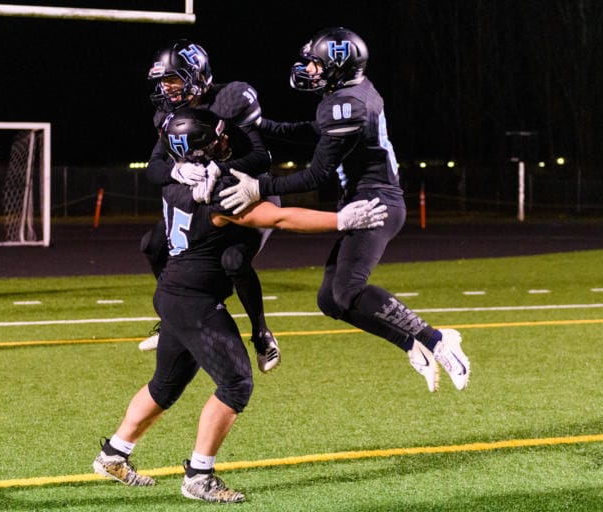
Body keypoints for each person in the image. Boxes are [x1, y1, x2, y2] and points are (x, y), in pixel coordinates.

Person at [93, 108, 387, 503]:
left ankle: (114, 453)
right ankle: (199, 476)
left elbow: (165, 178)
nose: (223, 142)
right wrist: (340, 220)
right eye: (213, 142)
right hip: (194, 300)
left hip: (174, 293)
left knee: (165, 385)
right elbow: (279, 218)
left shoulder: (176, 182)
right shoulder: (214, 189)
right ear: (195, 154)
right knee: (235, 384)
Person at [219, 27, 471, 392]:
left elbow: (316, 174)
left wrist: (259, 186)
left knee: (349, 289)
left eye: (317, 64)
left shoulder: (347, 105)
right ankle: (410, 342)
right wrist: (264, 126)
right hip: (365, 197)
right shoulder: (349, 96)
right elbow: (317, 130)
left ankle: (436, 339)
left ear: (338, 67)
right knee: (330, 300)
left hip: (375, 203)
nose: (310, 70)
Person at [138, 39, 282, 373]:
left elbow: (262, 157)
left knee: (233, 259)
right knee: (153, 244)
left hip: (246, 190)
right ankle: (173, 318)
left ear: (196, 74)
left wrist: (221, 168)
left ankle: (261, 332)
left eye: (173, 79)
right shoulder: (167, 115)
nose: (166, 88)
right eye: (163, 81)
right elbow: (154, 167)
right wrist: (176, 169)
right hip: (206, 198)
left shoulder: (231, 100)